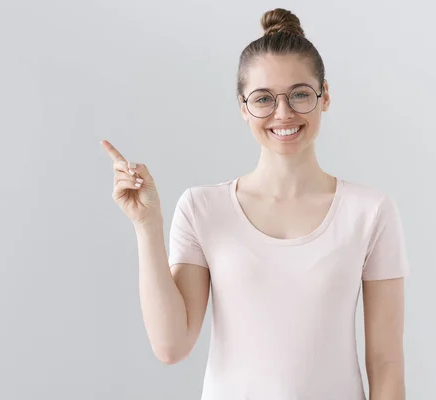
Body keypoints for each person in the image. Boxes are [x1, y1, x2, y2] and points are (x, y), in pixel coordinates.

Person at [101, 8, 409, 400]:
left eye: (300, 94)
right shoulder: (202, 208)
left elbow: (386, 363)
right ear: (244, 107)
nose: (283, 113)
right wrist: (146, 225)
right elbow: (171, 346)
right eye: (264, 98)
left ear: (324, 96)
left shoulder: (370, 212)